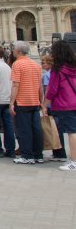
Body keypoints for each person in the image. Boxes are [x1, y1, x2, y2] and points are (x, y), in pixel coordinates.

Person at [42, 40, 76, 171]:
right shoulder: (73, 66)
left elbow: (52, 89)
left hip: (65, 103)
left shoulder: (58, 69)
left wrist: (45, 105)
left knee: (72, 133)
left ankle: (74, 161)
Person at [9, 41, 44, 165]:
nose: (12, 52)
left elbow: (15, 85)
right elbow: (40, 86)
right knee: (36, 130)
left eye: (13, 50)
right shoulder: (36, 64)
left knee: (24, 130)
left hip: (22, 101)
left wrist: (11, 102)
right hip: (35, 101)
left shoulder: (17, 64)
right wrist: (41, 101)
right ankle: (38, 155)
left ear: (18, 51)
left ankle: (27, 155)